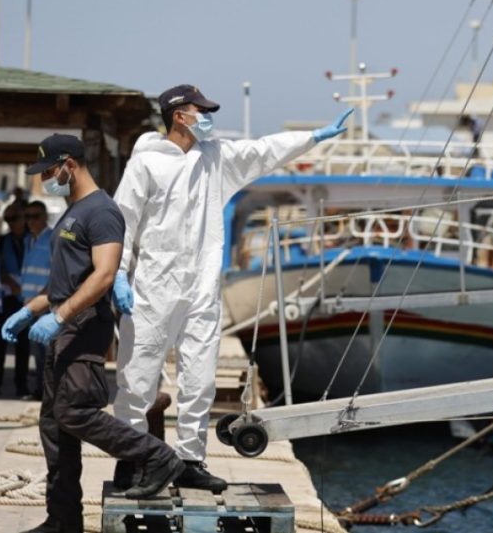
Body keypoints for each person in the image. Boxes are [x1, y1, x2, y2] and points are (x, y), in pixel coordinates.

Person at [111, 85, 351, 491]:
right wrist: (119, 271)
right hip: (153, 285)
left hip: (202, 285)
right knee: (137, 379)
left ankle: (189, 461)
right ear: (178, 115)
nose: (208, 117)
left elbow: (263, 150)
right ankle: (131, 461)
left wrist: (312, 137)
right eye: (200, 110)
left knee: (200, 379)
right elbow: (123, 220)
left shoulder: (216, 158)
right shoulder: (145, 164)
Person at [2, 134, 184, 533]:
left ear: (69, 164)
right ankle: (63, 519)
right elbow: (64, 284)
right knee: (54, 424)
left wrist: (62, 315)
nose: (46, 178)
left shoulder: (101, 211)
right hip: (62, 325)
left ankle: (156, 456)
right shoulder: (71, 213)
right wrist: (28, 311)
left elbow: (103, 275)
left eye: (49, 170)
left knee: (73, 411)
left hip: (83, 327)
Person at [0, 200, 32, 397]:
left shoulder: (33, 239)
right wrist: (10, 283)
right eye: (8, 219)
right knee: (0, 342)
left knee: (23, 344)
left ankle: (21, 386)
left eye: (15, 218)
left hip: (27, 298)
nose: (11, 223)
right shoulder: (3, 241)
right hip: (8, 298)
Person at [20, 200, 54, 396]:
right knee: (37, 350)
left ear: (44, 217)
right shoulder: (28, 240)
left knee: (46, 350)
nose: (30, 221)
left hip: (45, 303)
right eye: (27, 217)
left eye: (34, 217)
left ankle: (47, 391)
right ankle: (41, 389)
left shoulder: (51, 239)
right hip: (30, 304)